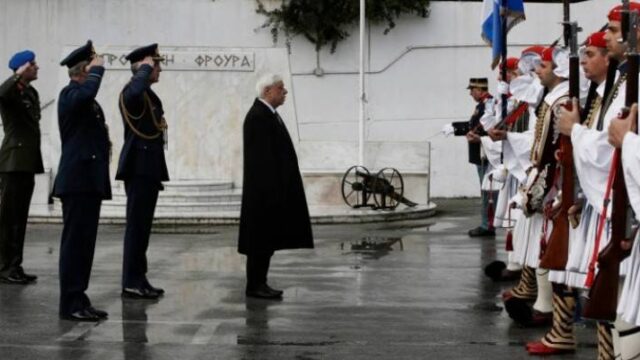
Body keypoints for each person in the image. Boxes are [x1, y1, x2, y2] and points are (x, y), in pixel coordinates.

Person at [525, 30, 610, 356]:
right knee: (562, 264)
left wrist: (574, 135)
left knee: (598, 279)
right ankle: (562, 332)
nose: (585, 61)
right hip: (581, 191)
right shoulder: (600, 94)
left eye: (591, 54)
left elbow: (605, 146)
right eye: (583, 55)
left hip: (597, 195)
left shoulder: (610, 93)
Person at [238, 74, 314, 299]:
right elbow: (261, 160)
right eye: (281, 88)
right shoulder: (258, 117)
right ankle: (255, 285)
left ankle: (260, 282)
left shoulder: (268, 115)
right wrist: (273, 191)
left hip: (269, 192)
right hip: (263, 193)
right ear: (267, 91)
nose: (285, 92)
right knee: (259, 241)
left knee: (265, 240)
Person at [53, 40, 111, 321]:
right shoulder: (70, 94)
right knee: (75, 244)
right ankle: (69, 304)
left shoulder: (84, 96)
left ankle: (80, 298)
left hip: (88, 181)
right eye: (92, 67)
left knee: (85, 245)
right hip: (76, 182)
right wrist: (97, 73)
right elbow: (85, 95)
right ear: (83, 70)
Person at [116, 44, 168, 300]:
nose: (159, 69)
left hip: (148, 167)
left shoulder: (147, 93)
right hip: (138, 167)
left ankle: (139, 277)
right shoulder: (132, 92)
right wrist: (144, 67)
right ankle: (130, 281)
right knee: (136, 227)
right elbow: (134, 90)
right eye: (156, 65)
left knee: (143, 228)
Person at [0, 50, 44, 284]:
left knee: (20, 218)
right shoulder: (12, 91)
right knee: (9, 218)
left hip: (26, 161)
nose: (37, 67)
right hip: (13, 162)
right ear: (22, 68)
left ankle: (15, 265)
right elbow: (2, 93)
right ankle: (5, 267)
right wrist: (17, 76)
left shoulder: (31, 92)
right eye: (33, 64)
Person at [451, 78, 498, 237]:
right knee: (486, 191)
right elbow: (475, 125)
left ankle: (488, 225)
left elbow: (491, 127)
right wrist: (456, 128)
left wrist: (476, 134)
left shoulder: (489, 104)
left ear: (479, 89)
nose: (470, 93)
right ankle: (487, 223)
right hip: (480, 154)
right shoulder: (482, 105)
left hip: (485, 154)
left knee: (488, 192)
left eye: (472, 90)